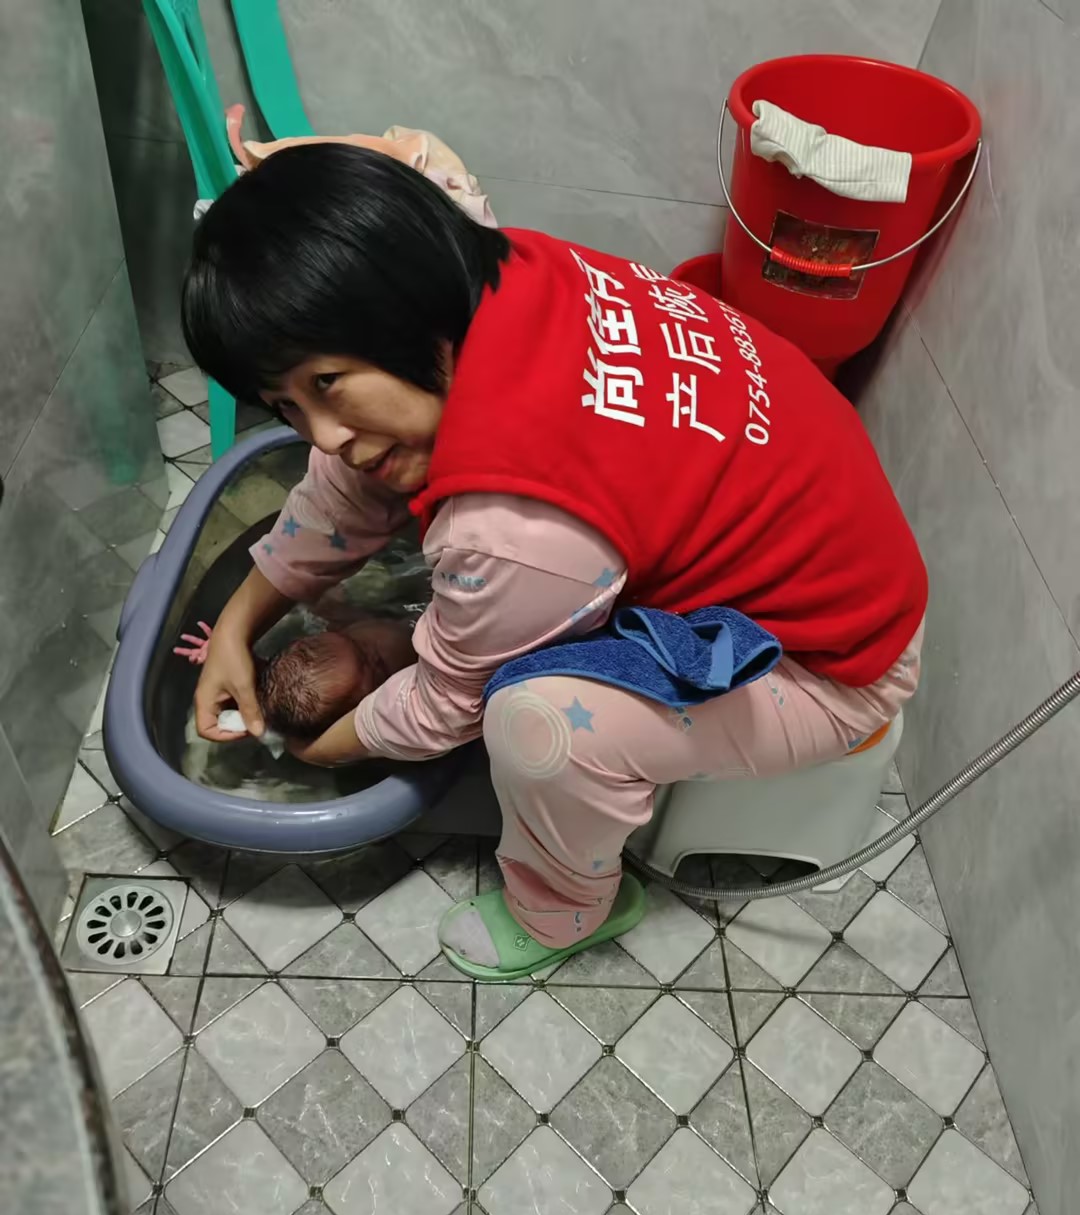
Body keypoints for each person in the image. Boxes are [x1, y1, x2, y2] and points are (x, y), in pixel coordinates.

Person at [181, 144, 927, 980]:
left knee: (533, 721)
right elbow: (341, 486)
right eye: (285, 404)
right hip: (835, 534)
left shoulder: (510, 526)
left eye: (326, 382)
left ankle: (566, 909)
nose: (321, 433)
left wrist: (323, 749)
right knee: (415, 502)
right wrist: (237, 628)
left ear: (398, 309)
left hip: (829, 664)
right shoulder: (507, 271)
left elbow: (445, 705)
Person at [176, 616, 415, 741]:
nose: (375, 649)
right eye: (379, 668)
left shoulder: (341, 626)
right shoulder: (408, 700)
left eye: (357, 643)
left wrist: (226, 649)